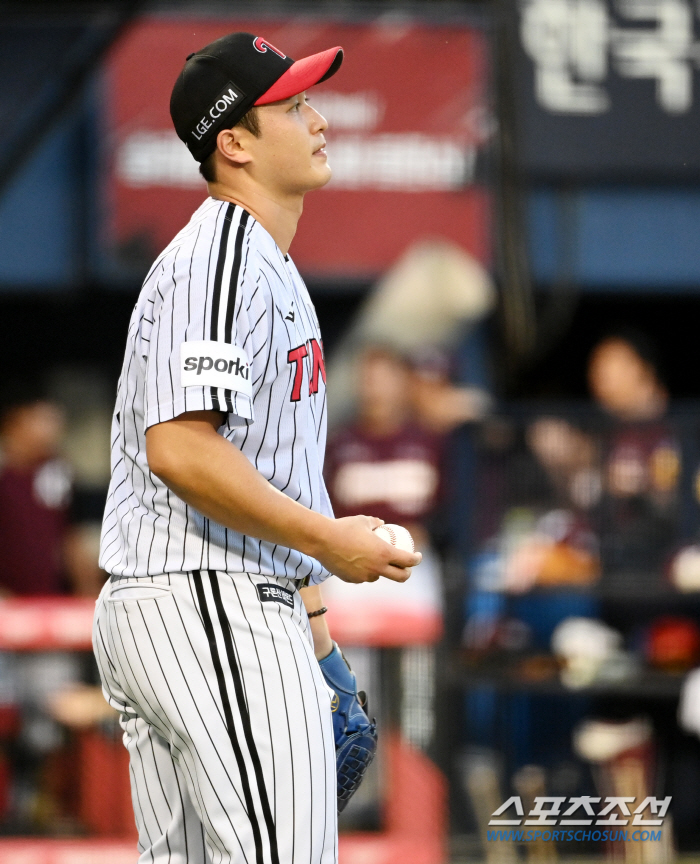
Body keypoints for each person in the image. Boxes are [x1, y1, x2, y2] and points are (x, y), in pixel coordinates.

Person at [92, 32, 420, 864]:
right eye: (294, 106)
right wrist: (329, 542)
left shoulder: (261, 263)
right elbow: (181, 448)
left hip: (213, 602)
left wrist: (317, 631)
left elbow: (266, 463)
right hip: (209, 601)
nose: (319, 120)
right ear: (233, 142)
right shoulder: (223, 258)